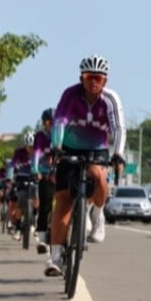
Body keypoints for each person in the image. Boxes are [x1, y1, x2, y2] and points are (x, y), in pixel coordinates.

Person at [45, 54, 126, 276]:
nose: (93, 82)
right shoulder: (70, 94)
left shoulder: (110, 99)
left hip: (97, 148)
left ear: (105, 80)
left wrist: (118, 154)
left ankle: (97, 214)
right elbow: (60, 120)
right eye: (89, 77)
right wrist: (56, 146)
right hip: (69, 147)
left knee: (99, 177)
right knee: (62, 202)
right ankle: (56, 258)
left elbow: (118, 128)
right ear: (82, 78)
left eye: (98, 78)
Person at [32, 107, 55, 255]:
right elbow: (36, 154)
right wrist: (36, 170)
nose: (51, 125)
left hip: (62, 174)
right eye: (48, 122)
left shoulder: (65, 134)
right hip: (46, 175)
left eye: (54, 122)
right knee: (45, 207)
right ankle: (41, 239)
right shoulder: (40, 137)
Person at [7, 132, 36, 241]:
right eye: (29, 147)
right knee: (20, 201)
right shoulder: (19, 153)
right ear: (25, 146)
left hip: (35, 178)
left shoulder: (38, 152)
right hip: (21, 179)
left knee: (37, 195)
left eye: (32, 147)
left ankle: (35, 217)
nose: (31, 149)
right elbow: (12, 164)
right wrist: (10, 176)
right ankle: (18, 228)